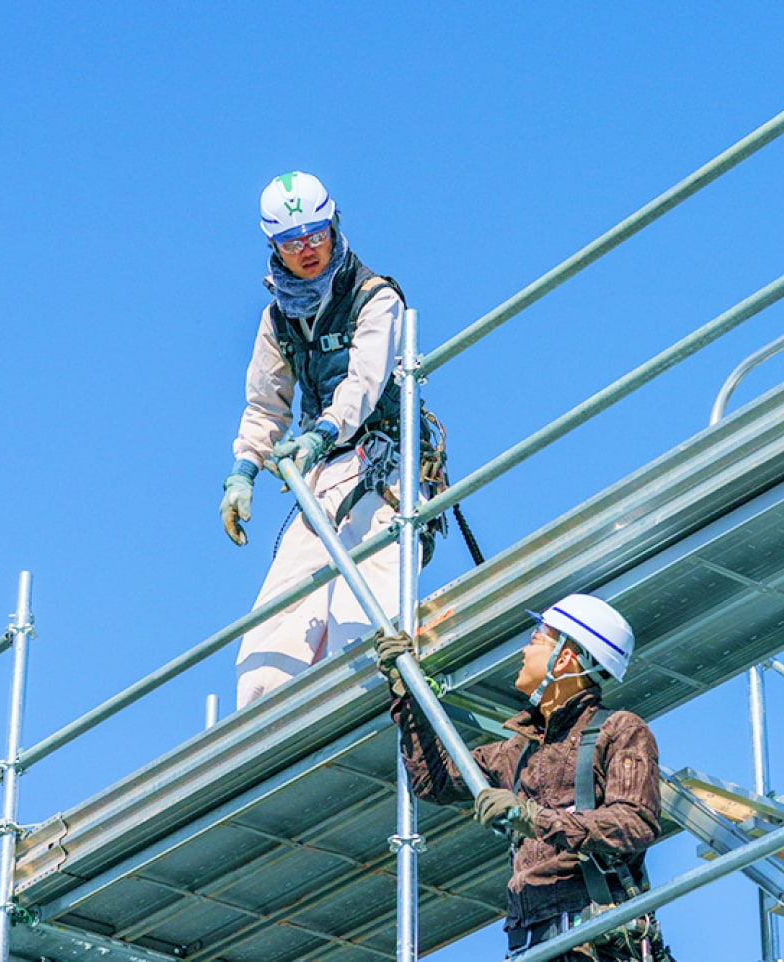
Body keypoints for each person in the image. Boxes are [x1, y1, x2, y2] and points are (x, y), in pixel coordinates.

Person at [377, 594, 673, 962]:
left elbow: (635, 822)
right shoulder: (517, 752)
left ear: (565, 657)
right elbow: (433, 780)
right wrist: (407, 694)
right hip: (530, 948)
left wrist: (532, 818)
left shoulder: (619, 730)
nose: (524, 650)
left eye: (536, 638)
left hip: (595, 946)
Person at [221, 171, 413, 709]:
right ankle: (263, 734)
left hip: (384, 466)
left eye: (315, 234)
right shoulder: (278, 319)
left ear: (334, 225)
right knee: (271, 649)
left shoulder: (375, 297)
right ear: (273, 247)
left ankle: (369, 714)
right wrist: (244, 470)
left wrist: (323, 432)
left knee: (361, 626)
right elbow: (266, 404)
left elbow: (365, 381)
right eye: (291, 240)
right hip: (322, 473)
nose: (307, 249)